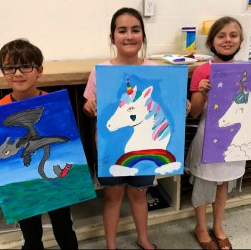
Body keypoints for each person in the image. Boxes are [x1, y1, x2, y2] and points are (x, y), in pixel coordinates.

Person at [83, 7, 161, 250]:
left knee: (139, 194)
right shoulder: (100, 71)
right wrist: (90, 106)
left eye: (135, 30)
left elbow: (163, 105)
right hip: (110, 147)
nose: (129, 36)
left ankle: (143, 238)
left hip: (145, 148)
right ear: (112, 37)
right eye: (122, 30)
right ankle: (111, 245)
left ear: (143, 35)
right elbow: (88, 107)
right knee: (113, 196)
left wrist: (185, 103)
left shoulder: (155, 70)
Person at [0, 38, 79, 250]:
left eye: (25, 66)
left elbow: (67, 143)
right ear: (3, 71)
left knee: (64, 228)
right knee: (31, 235)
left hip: (55, 180)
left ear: (39, 70)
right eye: (10, 68)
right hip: (23, 185)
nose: (18, 73)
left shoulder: (55, 105)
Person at [185, 17, 245, 250]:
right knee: (205, 184)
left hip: (235, 139)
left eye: (233, 35)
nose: (227, 40)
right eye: (221, 36)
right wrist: (201, 92)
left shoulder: (246, 70)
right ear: (211, 42)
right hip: (208, 136)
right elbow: (194, 113)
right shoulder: (203, 70)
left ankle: (218, 226)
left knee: (224, 184)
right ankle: (201, 227)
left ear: (240, 40)